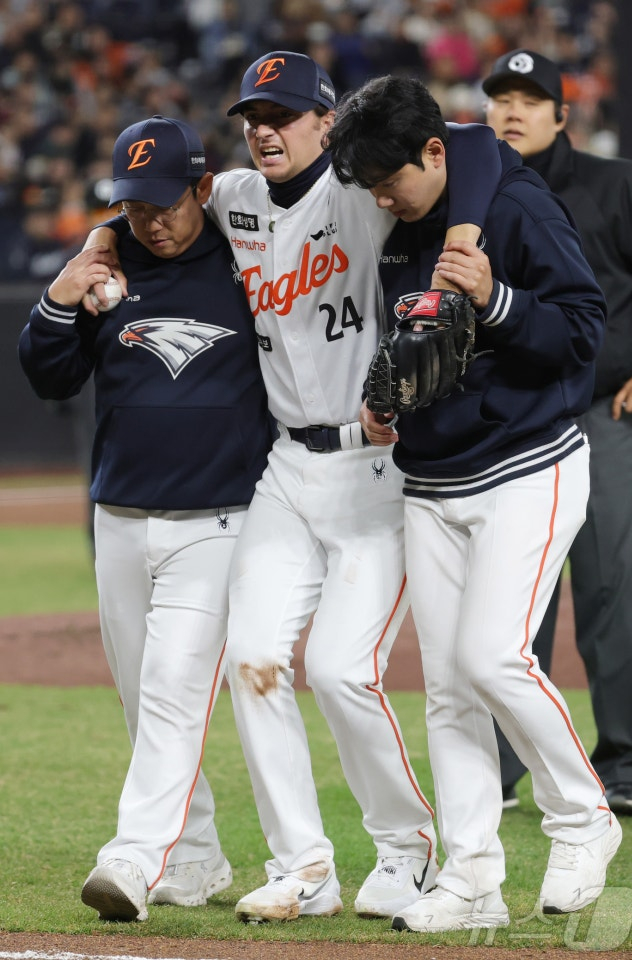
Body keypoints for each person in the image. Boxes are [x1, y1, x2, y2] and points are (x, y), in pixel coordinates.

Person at [84, 50, 503, 924]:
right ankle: (303, 863)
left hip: (376, 466)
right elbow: (137, 215)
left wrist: (460, 237)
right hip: (285, 464)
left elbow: (468, 146)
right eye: (251, 116)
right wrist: (96, 239)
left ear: (325, 120)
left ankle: (404, 847)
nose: (264, 129)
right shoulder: (230, 196)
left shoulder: (359, 189)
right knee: (253, 662)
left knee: (342, 674)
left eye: (283, 113)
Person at [326, 73, 620, 934]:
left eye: (393, 179)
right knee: (450, 691)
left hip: (530, 463)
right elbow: (421, 338)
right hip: (431, 478)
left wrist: (495, 300)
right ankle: (471, 878)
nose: (382, 198)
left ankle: (582, 818)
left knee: (495, 659)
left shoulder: (518, 209)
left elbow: (580, 330)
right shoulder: (401, 220)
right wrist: (390, 400)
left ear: (432, 153)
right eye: (370, 186)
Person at [19, 116, 275, 923]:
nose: (150, 219)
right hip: (122, 515)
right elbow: (50, 377)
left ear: (202, 188)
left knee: (171, 691)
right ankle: (195, 857)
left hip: (221, 516)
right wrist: (61, 297)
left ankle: (131, 857)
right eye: (133, 205)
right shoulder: (108, 262)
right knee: (141, 696)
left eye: (165, 202)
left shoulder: (249, 260)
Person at [482, 48, 632, 815]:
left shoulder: (619, 185)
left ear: (560, 115)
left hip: (604, 414)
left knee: (609, 594)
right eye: (500, 98)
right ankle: (505, 770)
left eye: (529, 98)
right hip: (514, 424)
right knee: (515, 604)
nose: (511, 110)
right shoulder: (471, 192)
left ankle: (628, 765)